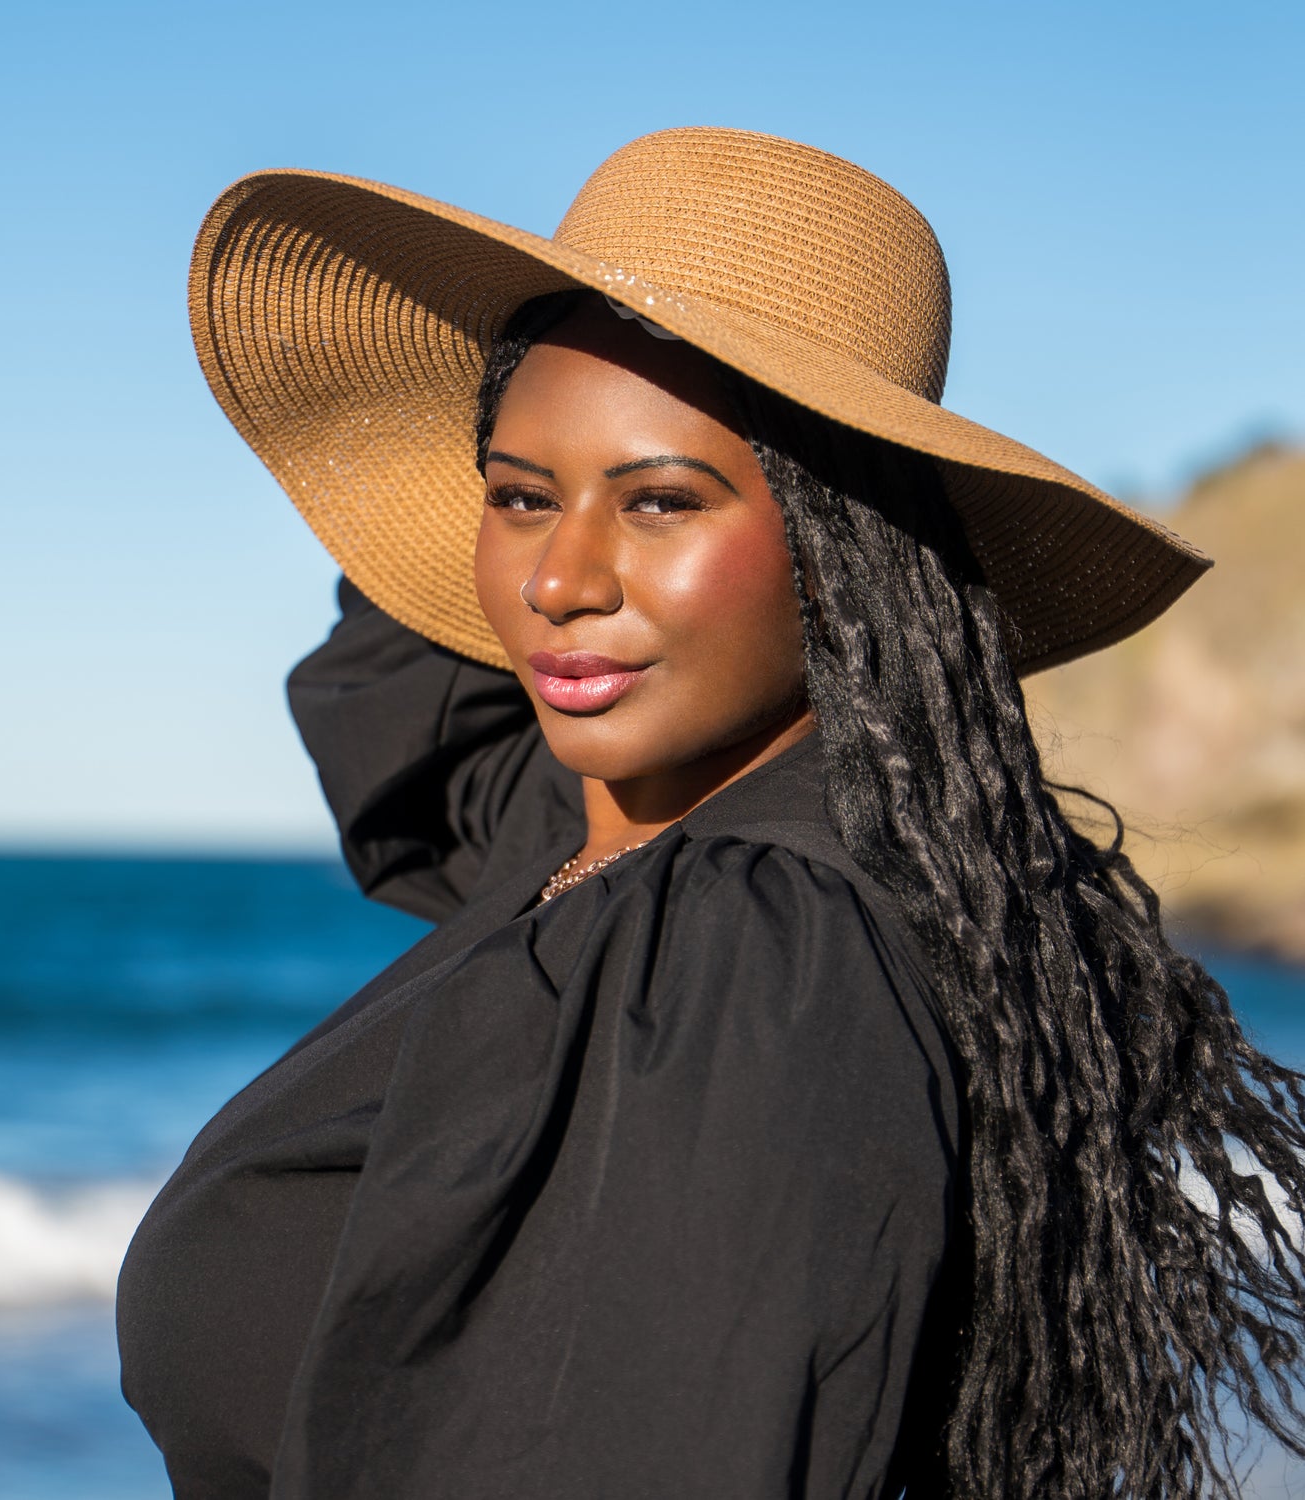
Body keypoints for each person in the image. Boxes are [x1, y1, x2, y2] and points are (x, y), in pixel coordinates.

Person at [117, 128, 1305, 1499]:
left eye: (662, 503)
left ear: (839, 547)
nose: (561, 580)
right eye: (518, 496)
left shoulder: (745, 945)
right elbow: (404, 730)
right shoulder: (611, 846)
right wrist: (522, 356)